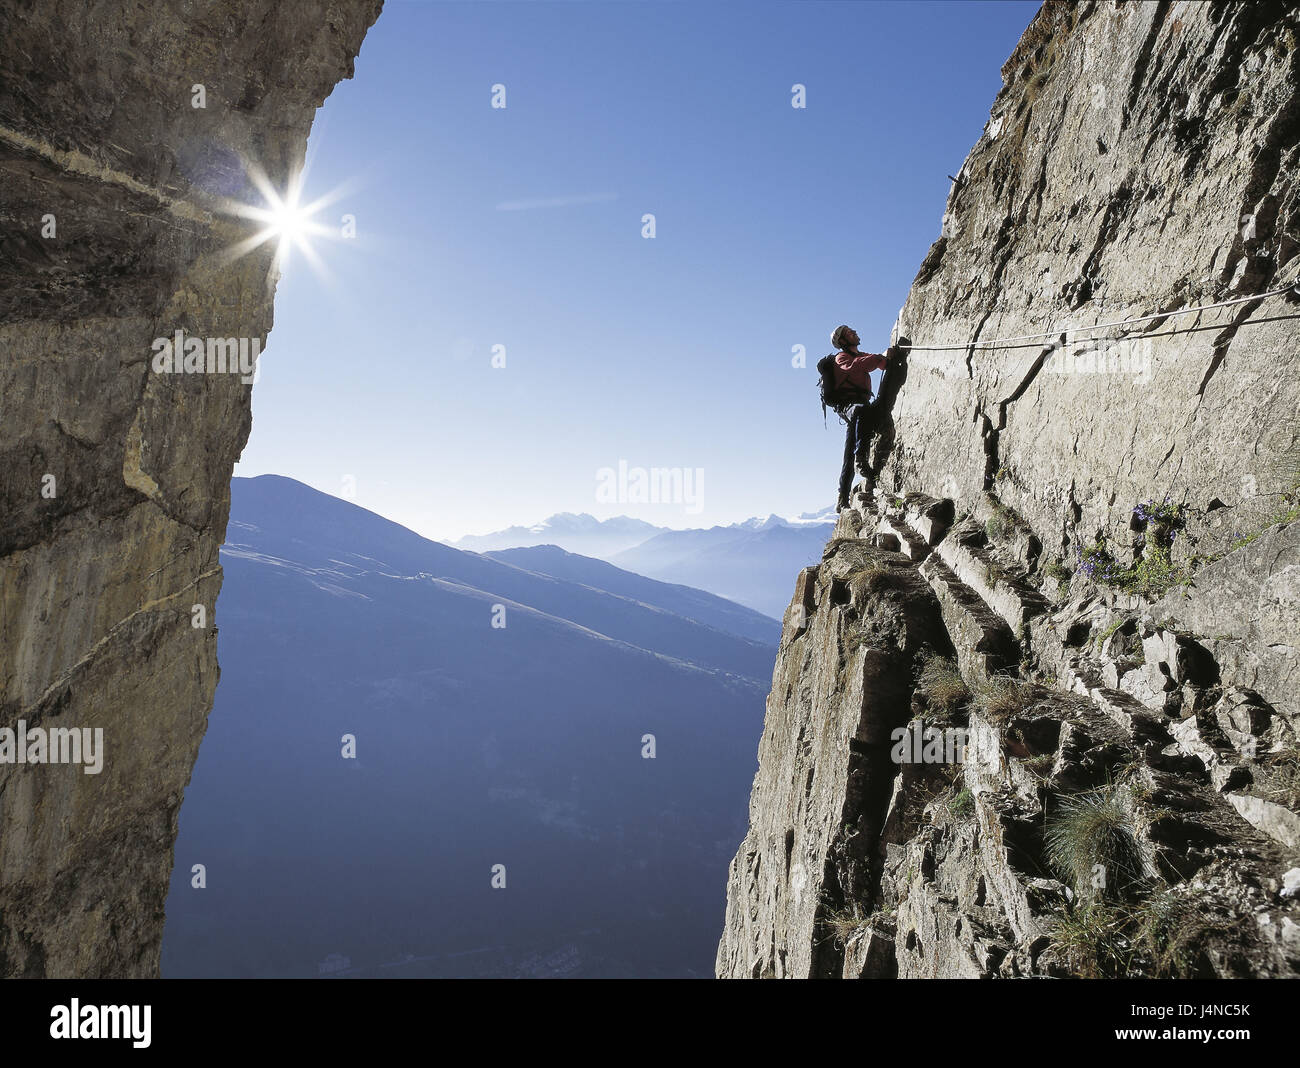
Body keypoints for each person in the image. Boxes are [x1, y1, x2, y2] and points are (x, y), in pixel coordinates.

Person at [826, 325, 889, 511]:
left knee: (849, 450)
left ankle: (842, 496)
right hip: (848, 406)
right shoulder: (841, 358)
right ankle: (860, 459)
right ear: (843, 341)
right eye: (849, 333)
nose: (854, 332)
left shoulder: (861, 355)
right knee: (860, 412)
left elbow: (880, 364)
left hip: (860, 407)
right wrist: (879, 357)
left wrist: (887, 358)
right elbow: (858, 366)